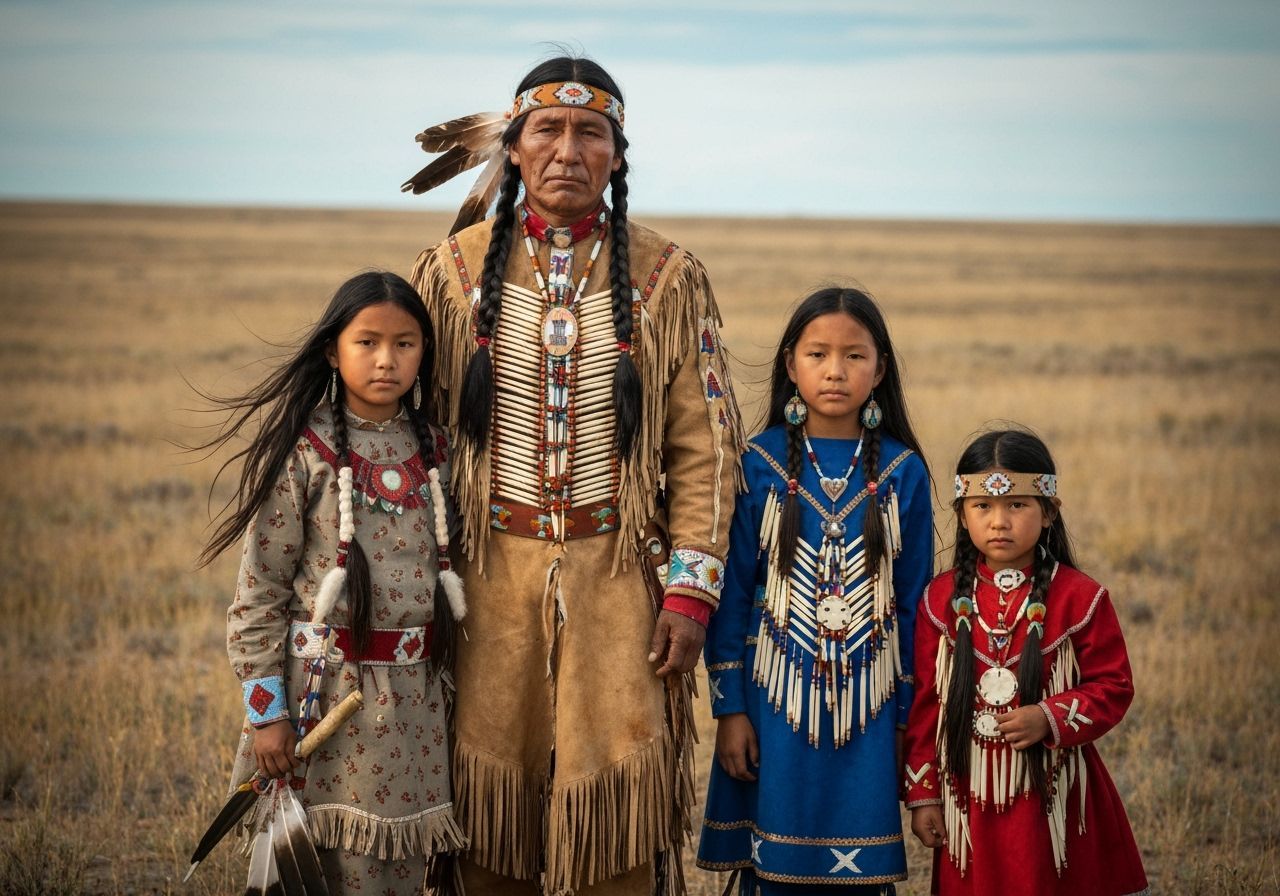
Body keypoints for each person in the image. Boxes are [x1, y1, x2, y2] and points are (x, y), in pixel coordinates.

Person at [404, 55, 744, 896]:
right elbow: (409, 432)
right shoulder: (450, 273)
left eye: (589, 132)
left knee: (618, 810)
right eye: (546, 130)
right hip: (485, 578)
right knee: (487, 806)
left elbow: (706, 447)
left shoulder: (668, 276)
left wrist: (690, 595)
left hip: (619, 577)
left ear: (618, 155)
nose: (567, 149)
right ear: (513, 150)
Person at [199, 271, 467, 892]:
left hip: (415, 706)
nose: (386, 360)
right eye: (366, 342)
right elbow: (259, 594)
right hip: (320, 701)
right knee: (321, 868)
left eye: (405, 344)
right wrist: (266, 715)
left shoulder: (438, 450)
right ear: (331, 351)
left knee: (398, 868)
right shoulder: (305, 451)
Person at [697, 287, 934, 894]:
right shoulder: (758, 463)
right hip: (775, 699)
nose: (835, 371)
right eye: (818, 354)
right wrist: (730, 710)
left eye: (855, 356)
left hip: (871, 704)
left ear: (880, 370)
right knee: (774, 863)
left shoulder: (903, 472)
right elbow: (730, 595)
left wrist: (907, 719)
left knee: (860, 869)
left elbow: (913, 609)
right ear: (790, 364)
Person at [903, 429, 1148, 895]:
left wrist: (1048, 717)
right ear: (961, 513)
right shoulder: (938, 600)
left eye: (1017, 505)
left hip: (1056, 792)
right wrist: (923, 795)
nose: (1000, 521)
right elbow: (925, 705)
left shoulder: (1081, 598)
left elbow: (1113, 685)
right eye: (983, 507)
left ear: (1050, 511)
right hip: (969, 795)